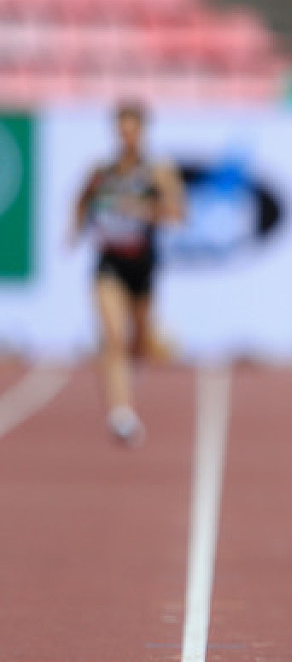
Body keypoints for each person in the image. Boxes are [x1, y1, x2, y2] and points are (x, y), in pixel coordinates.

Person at [71, 102, 184, 446]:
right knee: (114, 337)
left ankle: (125, 379)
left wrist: (143, 209)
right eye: (122, 131)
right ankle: (121, 413)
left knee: (139, 343)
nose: (127, 138)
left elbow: (178, 213)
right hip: (109, 263)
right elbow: (82, 200)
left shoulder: (156, 172)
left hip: (143, 264)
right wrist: (76, 228)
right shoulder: (102, 171)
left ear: (143, 133)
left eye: (133, 131)